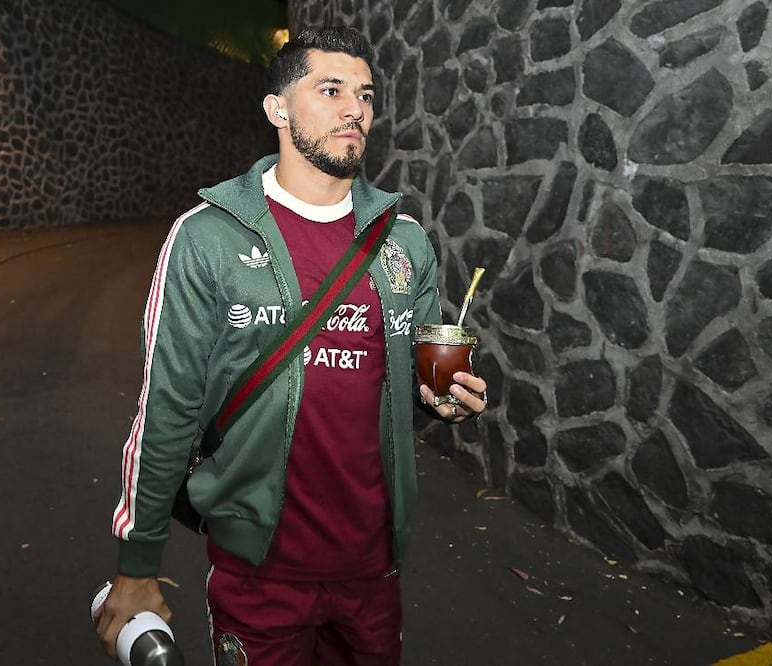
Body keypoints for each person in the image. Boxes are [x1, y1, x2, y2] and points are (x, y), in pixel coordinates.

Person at [94, 25, 488, 666]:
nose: (353, 108)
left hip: (373, 565)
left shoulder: (404, 240)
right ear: (278, 109)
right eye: (329, 90)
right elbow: (166, 409)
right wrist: (138, 561)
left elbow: (402, 389)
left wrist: (440, 402)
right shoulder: (208, 238)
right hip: (261, 570)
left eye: (363, 94)